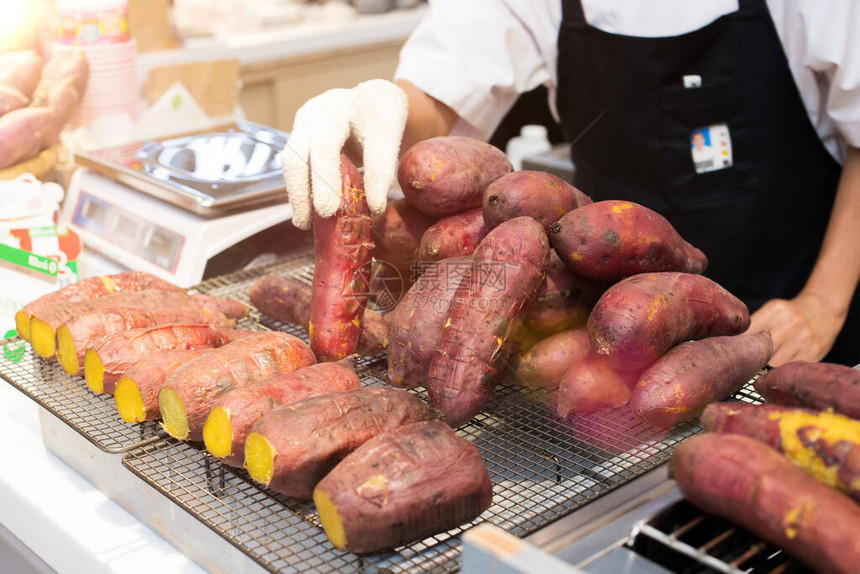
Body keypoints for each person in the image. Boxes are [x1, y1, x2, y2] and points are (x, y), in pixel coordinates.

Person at [283, 0, 860, 367]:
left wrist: (823, 305)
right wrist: (375, 108)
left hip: (787, 320)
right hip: (613, 334)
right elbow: (444, 89)